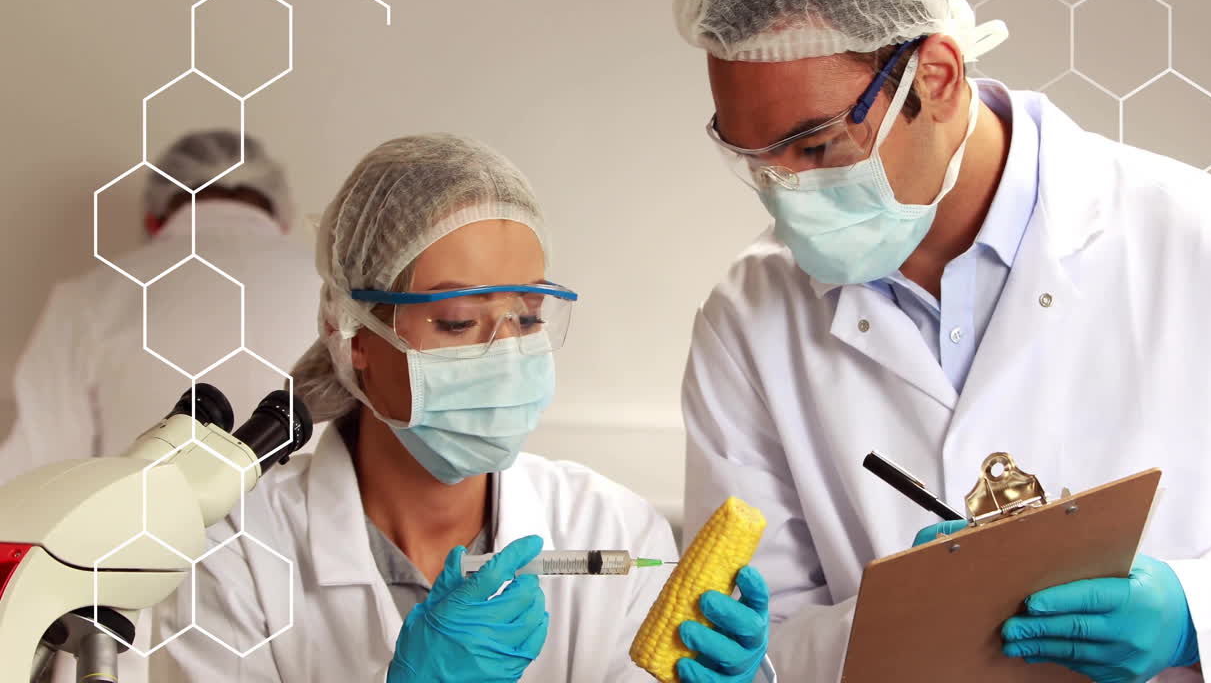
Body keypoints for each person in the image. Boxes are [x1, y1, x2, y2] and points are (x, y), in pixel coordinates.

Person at [673, 0, 1211, 681]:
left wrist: (1198, 616)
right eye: (758, 162)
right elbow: (765, 636)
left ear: (936, 75)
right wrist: (908, 612)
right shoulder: (747, 317)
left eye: (815, 148)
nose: (789, 197)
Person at [149, 134, 772, 682]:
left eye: (527, 318)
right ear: (355, 334)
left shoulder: (610, 527)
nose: (506, 355)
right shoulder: (237, 552)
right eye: (456, 321)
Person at [1, 129, 319, 683]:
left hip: (120, 640)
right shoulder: (332, 293)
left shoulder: (90, 299)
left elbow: (33, 485)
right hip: (308, 628)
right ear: (281, 212)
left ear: (154, 217)